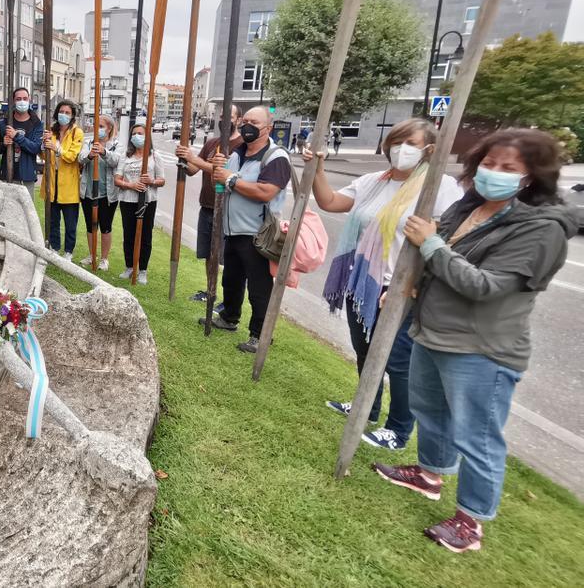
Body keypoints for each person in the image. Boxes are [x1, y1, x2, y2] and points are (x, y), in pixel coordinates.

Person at [373, 129, 571, 553]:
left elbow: (483, 285)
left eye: (508, 168)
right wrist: (409, 284)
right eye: (488, 163)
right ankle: (429, 475)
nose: (493, 173)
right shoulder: (471, 207)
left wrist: (432, 245)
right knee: (432, 410)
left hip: (482, 348)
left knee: (477, 435)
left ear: (531, 176)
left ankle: (471, 521)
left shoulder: (541, 229)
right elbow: (436, 261)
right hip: (434, 331)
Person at [304, 118, 462, 450]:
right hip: (362, 280)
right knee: (363, 348)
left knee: (398, 360)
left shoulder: (438, 186)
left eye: (411, 143)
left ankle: (399, 428)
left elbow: (448, 238)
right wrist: (318, 169)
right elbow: (331, 202)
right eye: (396, 141)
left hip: (400, 287)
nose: (400, 149)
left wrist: (411, 283)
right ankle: (367, 406)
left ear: (429, 150)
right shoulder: (373, 181)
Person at [204, 105, 293, 353]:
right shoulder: (236, 154)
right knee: (231, 279)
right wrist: (218, 173)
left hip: (258, 233)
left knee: (259, 286)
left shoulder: (276, 158)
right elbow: (221, 187)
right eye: (245, 121)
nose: (247, 126)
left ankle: (259, 334)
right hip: (233, 230)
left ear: (268, 128)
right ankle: (229, 317)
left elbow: (266, 192)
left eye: (254, 122)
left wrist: (230, 178)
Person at [175, 104, 243, 302]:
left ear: (238, 120)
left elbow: (221, 172)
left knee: (227, 257)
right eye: (221, 116)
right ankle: (210, 290)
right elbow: (194, 169)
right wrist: (184, 160)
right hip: (207, 206)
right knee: (208, 254)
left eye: (229, 116)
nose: (224, 120)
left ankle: (228, 300)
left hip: (227, 210)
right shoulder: (212, 143)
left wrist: (193, 158)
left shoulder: (240, 145)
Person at [113, 125, 166, 284]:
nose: (137, 136)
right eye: (134, 134)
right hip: (128, 200)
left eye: (140, 133)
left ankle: (142, 270)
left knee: (145, 236)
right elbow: (117, 179)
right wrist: (131, 185)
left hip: (147, 201)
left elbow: (162, 181)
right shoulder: (125, 156)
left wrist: (151, 181)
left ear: (147, 136)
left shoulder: (155, 157)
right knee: (128, 234)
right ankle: (129, 266)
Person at [41, 100, 85, 259]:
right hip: (52, 181)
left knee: (70, 223)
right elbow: (43, 156)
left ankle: (68, 252)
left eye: (67, 113)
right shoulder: (50, 131)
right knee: (53, 220)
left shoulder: (76, 132)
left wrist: (56, 148)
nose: (64, 115)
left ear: (72, 115)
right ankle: (54, 247)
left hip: (69, 184)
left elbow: (72, 156)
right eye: (61, 112)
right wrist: (43, 144)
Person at [78, 114, 120, 271]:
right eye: (96, 126)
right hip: (89, 191)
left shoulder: (115, 144)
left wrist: (104, 152)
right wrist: (90, 155)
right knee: (91, 225)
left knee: (105, 226)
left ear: (109, 128)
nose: (98, 129)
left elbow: (117, 161)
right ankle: (91, 255)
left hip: (107, 194)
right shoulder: (88, 142)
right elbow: (80, 158)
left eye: (101, 126)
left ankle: (104, 259)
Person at [0, 87, 44, 198]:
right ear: (13, 101)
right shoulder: (4, 122)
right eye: (18, 99)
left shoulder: (37, 124)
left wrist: (16, 136)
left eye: (25, 98)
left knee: (27, 212)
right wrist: (3, 144)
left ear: (29, 100)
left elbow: (35, 148)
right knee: (7, 211)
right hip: (7, 175)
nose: (22, 101)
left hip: (27, 176)